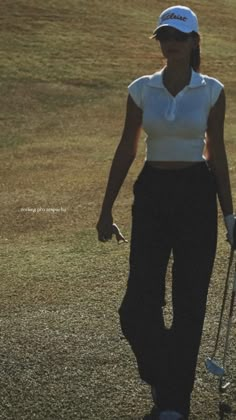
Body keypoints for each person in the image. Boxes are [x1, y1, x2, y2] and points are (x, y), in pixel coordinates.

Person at [96, 5, 235, 420]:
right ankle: (162, 375)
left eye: (178, 37)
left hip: (196, 194)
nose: (170, 43)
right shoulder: (141, 89)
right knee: (138, 305)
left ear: (194, 42)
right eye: (164, 37)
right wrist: (105, 210)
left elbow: (218, 152)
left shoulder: (212, 90)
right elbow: (126, 148)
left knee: (189, 303)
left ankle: (174, 403)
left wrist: (229, 214)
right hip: (153, 193)